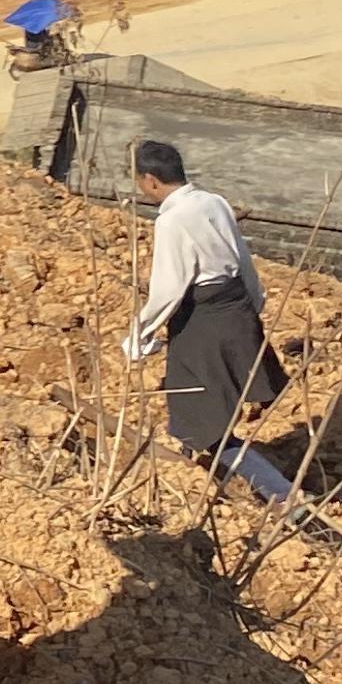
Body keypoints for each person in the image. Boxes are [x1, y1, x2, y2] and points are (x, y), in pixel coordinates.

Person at [122, 137, 284, 469]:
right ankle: (197, 470)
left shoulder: (171, 219)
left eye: (140, 183)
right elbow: (243, 259)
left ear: (150, 180)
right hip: (235, 308)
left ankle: (278, 491)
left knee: (203, 417)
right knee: (205, 410)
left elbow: (169, 288)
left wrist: (139, 336)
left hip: (203, 321)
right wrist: (253, 306)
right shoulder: (214, 202)